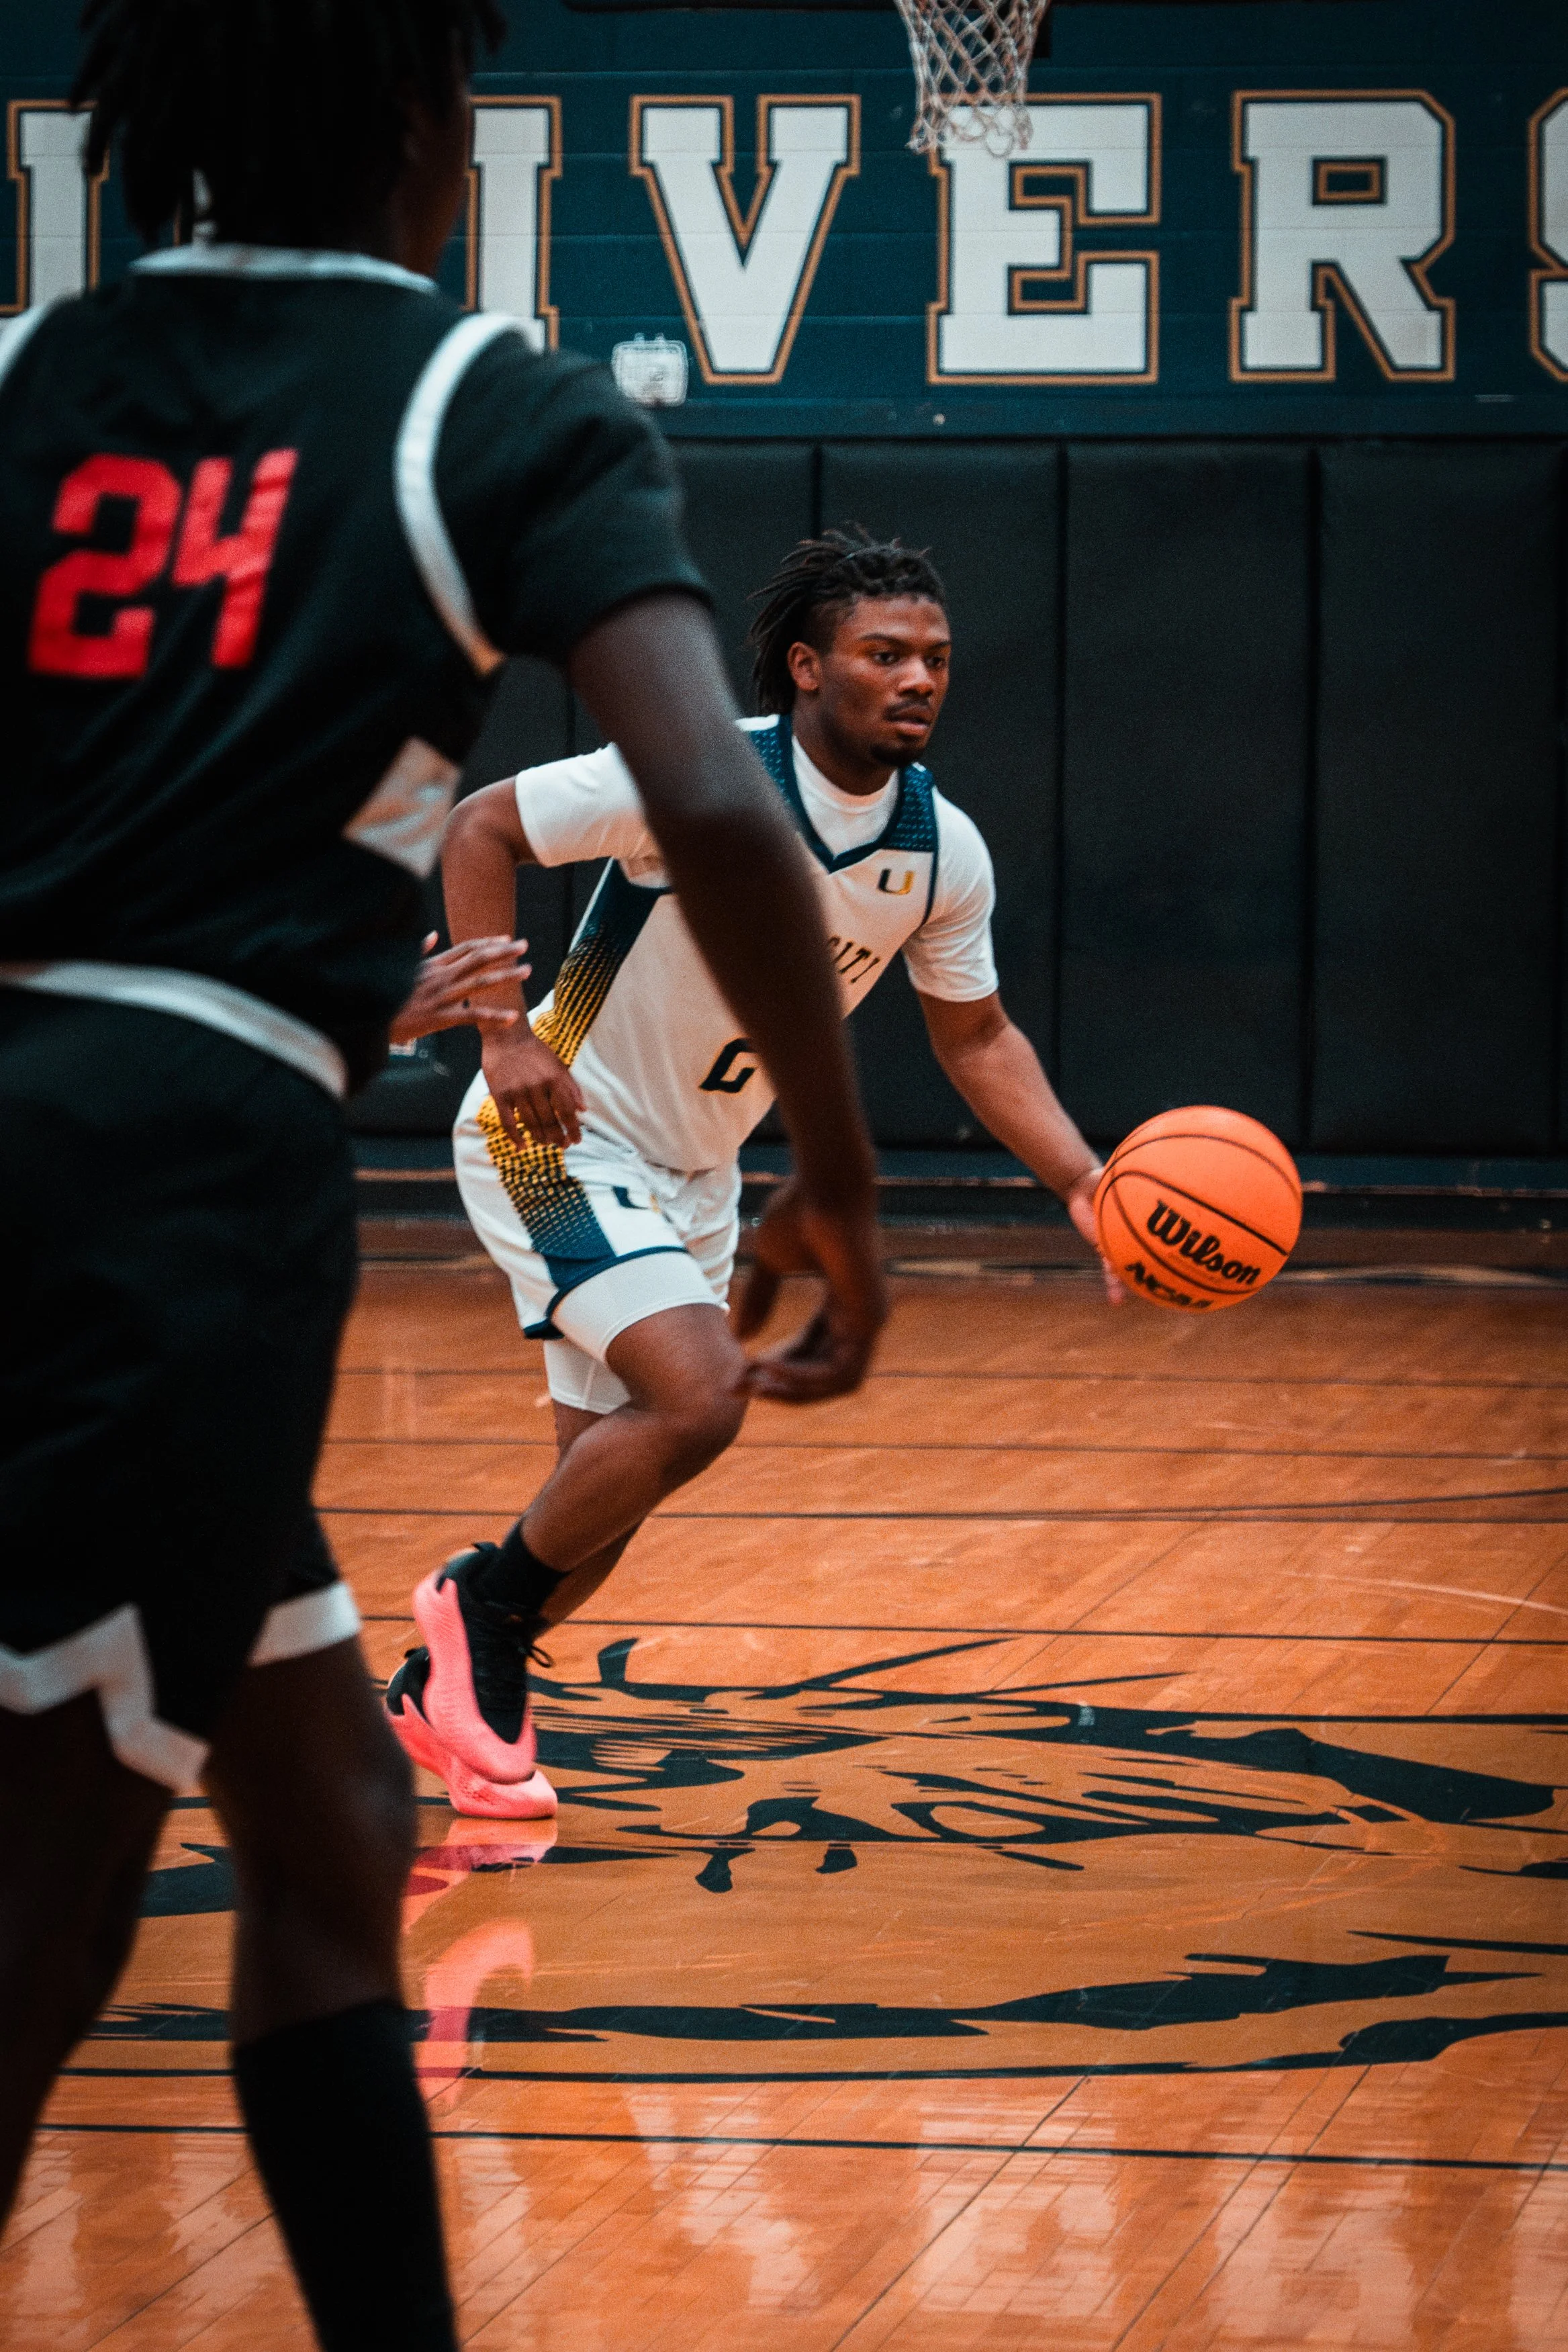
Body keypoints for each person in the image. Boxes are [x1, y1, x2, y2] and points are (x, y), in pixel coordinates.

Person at [0, 3, 884, 2343]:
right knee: (56, 1883)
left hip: (105, 1119)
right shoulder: (484, 401)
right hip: (172, 1182)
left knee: (331, 1826)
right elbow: (711, 794)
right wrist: (848, 1181)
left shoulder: (31, 369)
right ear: (419, 125)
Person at [392, 529, 1123, 1815]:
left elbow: (979, 1036)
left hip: (695, 1176)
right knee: (703, 1395)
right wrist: (503, 1034)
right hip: (551, 1134)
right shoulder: (694, 772)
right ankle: (476, 1611)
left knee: (604, 1502)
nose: (917, 679)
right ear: (806, 665)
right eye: (882, 653)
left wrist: (1084, 1181)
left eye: (935, 659)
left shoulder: (941, 850)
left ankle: (430, 1688)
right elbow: (480, 824)